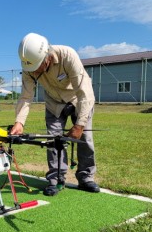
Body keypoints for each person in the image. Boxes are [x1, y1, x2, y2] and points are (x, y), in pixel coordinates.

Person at [10, 33, 99, 196]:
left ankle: (86, 178)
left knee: (85, 138)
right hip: (53, 103)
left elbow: (84, 92)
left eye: (37, 66)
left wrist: (79, 125)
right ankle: (55, 179)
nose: (34, 71)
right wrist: (19, 122)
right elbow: (26, 96)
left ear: (48, 57)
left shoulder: (68, 55)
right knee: (53, 140)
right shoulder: (29, 67)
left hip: (78, 99)